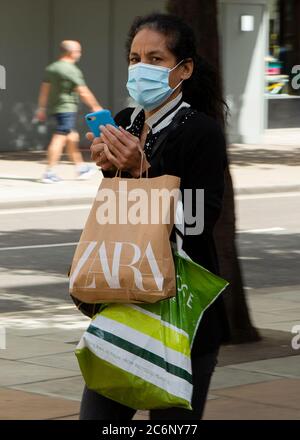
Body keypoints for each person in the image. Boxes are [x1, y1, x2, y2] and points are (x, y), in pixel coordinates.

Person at [79, 13, 230, 420]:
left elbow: (197, 220)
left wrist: (139, 169)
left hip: (180, 312)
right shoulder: (126, 121)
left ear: (185, 69)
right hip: (123, 301)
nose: (140, 67)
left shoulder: (201, 131)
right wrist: (110, 168)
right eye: (134, 57)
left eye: (156, 59)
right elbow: (117, 214)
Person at [36, 40, 102, 183]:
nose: (80, 54)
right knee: (60, 136)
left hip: (56, 109)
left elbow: (44, 90)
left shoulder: (52, 68)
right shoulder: (71, 70)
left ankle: (80, 168)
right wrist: (95, 106)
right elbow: (83, 91)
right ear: (72, 53)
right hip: (66, 108)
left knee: (72, 136)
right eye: (78, 51)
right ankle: (49, 172)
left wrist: (41, 108)